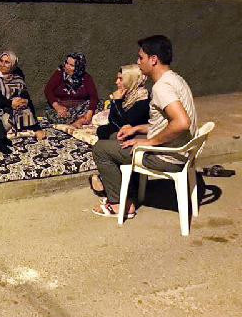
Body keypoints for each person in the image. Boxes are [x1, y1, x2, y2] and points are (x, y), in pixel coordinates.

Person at [90, 35, 198, 218]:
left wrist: (149, 142)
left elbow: (181, 123)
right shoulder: (176, 79)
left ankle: (118, 205)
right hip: (180, 150)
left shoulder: (162, 87)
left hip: (168, 157)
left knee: (100, 149)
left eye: (141, 57)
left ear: (153, 59)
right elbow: (167, 123)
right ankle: (129, 191)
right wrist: (137, 129)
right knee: (116, 136)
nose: (138, 62)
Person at [0, 51, 46, 141]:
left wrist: (23, 102)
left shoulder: (18, 79)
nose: (3, 64)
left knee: (24, 107)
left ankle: (34, 128)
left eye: (7, 62)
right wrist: (12, 104)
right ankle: (22, 128)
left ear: (13, 65)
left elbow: (27, 99)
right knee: (8, 121)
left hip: (16, 109)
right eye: (1, 61)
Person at [44, 53, 100, 128]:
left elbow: (93, 96)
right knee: (53, 116)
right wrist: (57, 106)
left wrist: (89, 113)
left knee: (99, 104)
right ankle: (81, 120)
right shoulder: (59, 73)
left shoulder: (86, 78)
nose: (67, 66)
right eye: (66, 63)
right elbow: (48, 90)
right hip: (61, 109)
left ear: (79, 67)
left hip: (78, 109)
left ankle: (80, 120)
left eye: (71, 65)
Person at [96, 64, 150, 140]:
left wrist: (117, 101)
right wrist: (115, 101)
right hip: (122, 129)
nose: (116, 82)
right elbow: (112, 120)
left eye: (121, 79)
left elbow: (125, 124)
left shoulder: (143, 100)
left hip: (135, 134)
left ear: (130, 80)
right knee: (102, 130)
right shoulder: (127, 96)